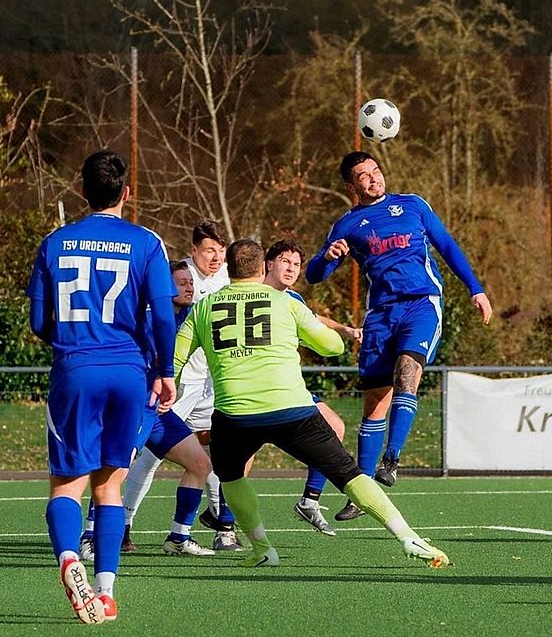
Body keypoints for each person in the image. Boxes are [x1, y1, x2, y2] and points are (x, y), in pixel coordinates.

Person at [175, 239, 450, 568]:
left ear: (225, 269)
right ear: (263, 269)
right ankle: (408, 537)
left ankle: (262, 549)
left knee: (231, 476)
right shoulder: (286, 302)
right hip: (291, 409)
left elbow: (175, 362)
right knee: (348, 474)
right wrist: (303, 335)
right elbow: (332, 347)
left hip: (235, 415)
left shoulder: (203, 308)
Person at [26, 150, 177, 623]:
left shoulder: (55, 243)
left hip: (77, 367)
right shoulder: (146, 242)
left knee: (67, 484)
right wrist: (164, 370)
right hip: (129, 372)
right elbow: (164, 315)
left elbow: (37, 320)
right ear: (126, 193)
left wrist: (73, 344)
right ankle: (107, 592)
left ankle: (71, 559)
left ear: (81, 190)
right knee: (110, 484)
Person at [305, 151, 492, 521]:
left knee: (408, 370)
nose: (373, 178)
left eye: (376, 171)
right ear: (350, 186)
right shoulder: (347, 224)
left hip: (421, 304)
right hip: (380, 315)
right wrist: (328, 257)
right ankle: (362, 490)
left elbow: (448, 247)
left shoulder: (412, 205)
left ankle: (392, 459)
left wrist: (476, 288)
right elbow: (313, 275)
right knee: (375, 401)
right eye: (363, 175)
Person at [79, 260, 217, 559]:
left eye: (190, 282)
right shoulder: (152, 316)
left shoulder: (191, 315)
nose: (188, 287)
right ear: (165, 287)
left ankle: (178, 537)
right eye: (181, 282)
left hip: (159, 412)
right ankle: (89, 537)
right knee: (116, 470)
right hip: (136, 405)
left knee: (200, 464)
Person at [123, 221, 243, 551]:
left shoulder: (227, 279)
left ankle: (221, 527)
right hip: (176, 383)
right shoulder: (177, 277)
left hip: (209, 382)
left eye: (220, 251)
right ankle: (122, 525)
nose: (216, 257)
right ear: (193, 251)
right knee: (148, 457)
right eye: (209, 251)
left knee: (215, 453)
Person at [263, 239, 362, 535]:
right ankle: (222, 522)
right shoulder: (251, 293)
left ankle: (309, 500)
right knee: (237, 458)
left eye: (296, 264)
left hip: (289, 387)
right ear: (268, 264)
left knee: (334, 427)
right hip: (252, 388)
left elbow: (316, 320)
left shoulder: (294, 300)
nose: (292, 268)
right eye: (285, 261)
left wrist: (344, 330)